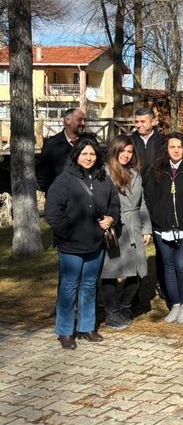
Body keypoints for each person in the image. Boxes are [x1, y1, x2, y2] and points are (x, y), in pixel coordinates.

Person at [44, 136, 120, 349]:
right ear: (76, 155)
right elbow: (52, 213)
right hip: (70, 246)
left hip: (96, 244)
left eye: (92, 154)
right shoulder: (64, 180)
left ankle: (87, 326)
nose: (88, 157)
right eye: (85, 153)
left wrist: (111, 218)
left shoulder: (104, 179)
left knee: (89, 286)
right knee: (68, 287)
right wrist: (68, 231)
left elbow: (114, 203)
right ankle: (65, 331)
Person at [145, 133, 183, 326]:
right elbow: (149, 198)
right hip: (162, 226)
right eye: (171, 147)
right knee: (168, 266)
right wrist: (153, 220)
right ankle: (174, 304)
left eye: (179, 147)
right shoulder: (156, 170)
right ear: (165, 150)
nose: (175, 150)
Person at [100, 136, 152, 330]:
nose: (126, 155)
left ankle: (125, 305)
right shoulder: (104, 174)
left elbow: (142, 203)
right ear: (115, 151)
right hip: (114, 227)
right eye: (123, 151)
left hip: (134, 226)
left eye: (130, 151)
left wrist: (146, 228)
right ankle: (112, 312)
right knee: (111, 273)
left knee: (139, 272)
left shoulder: (135, 175)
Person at [37, 108, 86, 192]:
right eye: (79, 120)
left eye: (85, 120)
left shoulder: (89, 142)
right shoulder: (51, 144)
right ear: (68, 120)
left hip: (84, 199)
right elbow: (43, 178)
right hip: (60, 199)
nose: (83, 123)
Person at [131, 107, 165, 175]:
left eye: (143, 122)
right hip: (134, 183)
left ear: (153, 122)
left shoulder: (163, 141)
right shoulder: (129, 141)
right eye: (137, 122)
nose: (139, 125)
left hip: (157, 183)